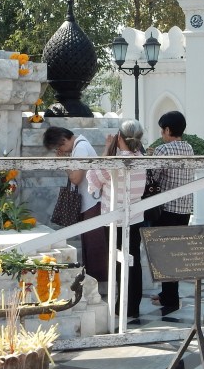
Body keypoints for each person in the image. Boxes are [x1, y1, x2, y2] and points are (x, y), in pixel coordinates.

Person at [87, 120, 147, 319]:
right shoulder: (141, 158)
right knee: (133, 261)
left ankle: (121, 306)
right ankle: (132, 306)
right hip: (136, 216)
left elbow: (92, 178)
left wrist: (106, 148)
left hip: (114, 218)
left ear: (119, 137)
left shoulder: (115, 162)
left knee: (118, 261)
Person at [43, 126, 107, 282]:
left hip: (93, 202)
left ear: (64, 139)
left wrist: (64, 163)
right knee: (90, 245)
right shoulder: (81, 146)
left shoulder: (80, 149)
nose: (61, 150)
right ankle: (94, 283)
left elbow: (76, 178)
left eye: (60, 146)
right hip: (91, 201)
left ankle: (99, 285)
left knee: (94, 247)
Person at [149, 111, 194, 317]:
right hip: (184, 208)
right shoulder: (189, 148)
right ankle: (168, 293)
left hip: (166, 208)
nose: (161, 133)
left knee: (164, 255)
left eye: (162, 129)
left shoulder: (162, 149)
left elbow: (154, 176)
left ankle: (170, 298)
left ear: (168, 130)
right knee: (176, 253)